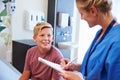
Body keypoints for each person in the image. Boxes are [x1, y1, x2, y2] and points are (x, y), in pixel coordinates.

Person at [59, 0, 120, 80]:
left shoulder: (117, 41)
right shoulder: (100, 33)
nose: (81, 18)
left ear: (93, 11)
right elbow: (98, 69)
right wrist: (75, 67)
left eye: (82, 14)